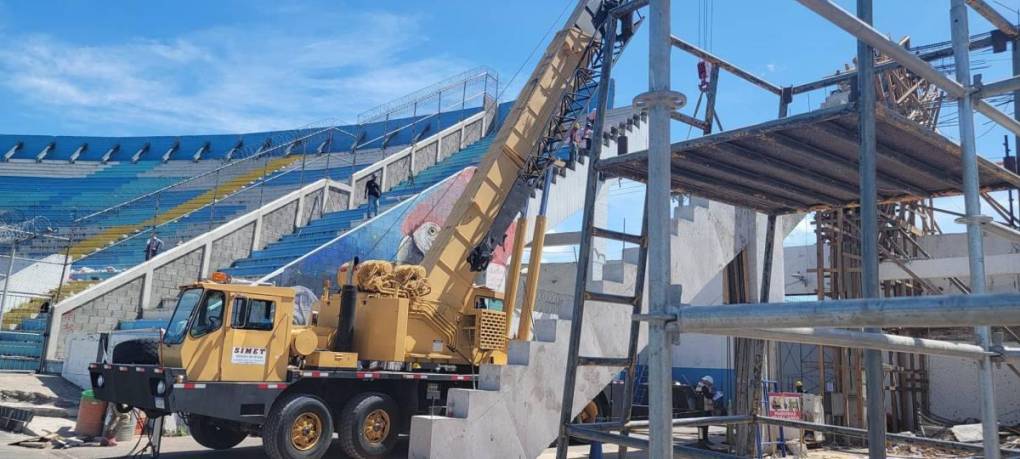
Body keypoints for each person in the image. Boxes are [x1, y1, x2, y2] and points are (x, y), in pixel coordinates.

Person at [696, 375, 724, 447]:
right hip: (703, 409)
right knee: (702, 426)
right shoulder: (703, 387)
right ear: (707, 382)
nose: (710, 385)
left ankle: (704, 439)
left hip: (705, 409)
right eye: (710, 384)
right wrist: (716, 394)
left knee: (704, 425)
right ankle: (701, 440)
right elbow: (708, 395)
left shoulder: (703, 386)